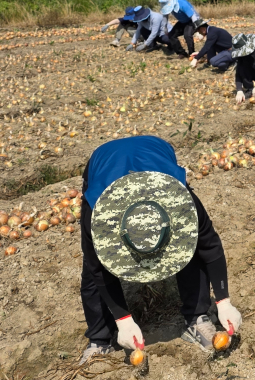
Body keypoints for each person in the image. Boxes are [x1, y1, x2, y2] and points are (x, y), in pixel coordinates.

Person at [79, 135, 243, 364]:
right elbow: (98, 271)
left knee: (189, 245)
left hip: (154, 152)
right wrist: (123, 319)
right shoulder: (97, 214)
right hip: (104, 163)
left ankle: (196, 317)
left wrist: (224, 302)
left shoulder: (183, 202)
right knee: (92, 265)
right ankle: (100, 339)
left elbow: (210, 246)